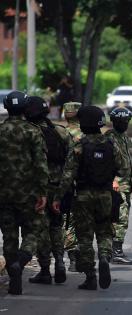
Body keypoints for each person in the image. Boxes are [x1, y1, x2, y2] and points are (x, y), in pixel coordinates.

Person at [53, 105, 129, 290]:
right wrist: (113, 180)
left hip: (83, 197)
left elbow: (68, 175)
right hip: (106, 196)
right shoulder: (111, 144)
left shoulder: (79, 145)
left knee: (85, 237)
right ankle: (104, 257)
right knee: (104, 232)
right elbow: (124, 168)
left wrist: (57, 197)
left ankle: (90, 276)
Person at [0, 91, 49, 295]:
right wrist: (43, 192)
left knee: (9, 237)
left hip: (3, 194)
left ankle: (15, 281)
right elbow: (40, 164)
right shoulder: (33, 131)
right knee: (33, 231)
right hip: (28, 193)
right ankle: (20, 261)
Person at [24, 96, 72, 285]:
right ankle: (60, 261)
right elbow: (71, 162)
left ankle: (45, 270)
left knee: (41, 230)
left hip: (37, 190)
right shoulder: (60, 131)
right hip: (58, 189)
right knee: (56, 227)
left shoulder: (28, 133)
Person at [106, 107, 132, 265]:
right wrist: (111, 180)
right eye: (121, 121)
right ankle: (116, 251)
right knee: (119, 218)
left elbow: (129, 162)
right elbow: (107, 162)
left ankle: (113, 250)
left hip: (127, 184)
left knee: (122, 218)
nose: (124, 123)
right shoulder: (109, 138)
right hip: (116, 185)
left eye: (126, 121)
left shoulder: (126, 138)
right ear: (114, 122)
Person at [61, 102, 83, 272]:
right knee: (76, 223)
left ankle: (58, 257)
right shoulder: (85, 134)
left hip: (61, 184)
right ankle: (75, 259)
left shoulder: (59, 133)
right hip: (81, 184)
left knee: (62, 221)